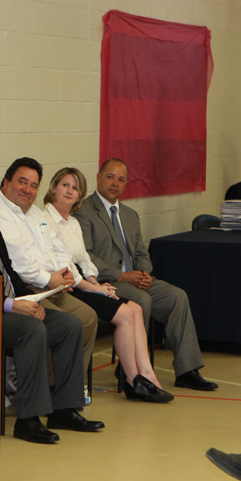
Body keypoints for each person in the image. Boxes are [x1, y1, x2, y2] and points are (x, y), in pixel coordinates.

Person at [0, 158, 102, 443]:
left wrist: (29, 299)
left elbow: (8, 274)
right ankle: (28, 419)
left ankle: (63, 408)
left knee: (69, 325)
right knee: (32, 330)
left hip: (9, 302)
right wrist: (13, 305)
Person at [75, 159, 217, 391]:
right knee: (142, 300)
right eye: (110, 177)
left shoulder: (130, 214)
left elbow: (142, 251)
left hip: (135, 279)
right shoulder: (84, 212)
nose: (115, 183)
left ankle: (187, 370)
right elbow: (86, 256)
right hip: (106, 282)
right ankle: (132, 369)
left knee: (177, 297)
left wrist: (144, 273)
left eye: (121, 180)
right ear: (98, 177)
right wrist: (122, 276)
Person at [42, 167, 171, 403]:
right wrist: (96, 288)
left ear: (80, 195)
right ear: (53, 188)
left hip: (85, 284)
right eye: (65, 185)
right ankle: (134, 381)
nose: (70, 191)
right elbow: (65, 268)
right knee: (124, 313)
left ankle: (147, 375)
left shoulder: (72, 222)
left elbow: (84, 260)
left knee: (136, 309)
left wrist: (95, 280)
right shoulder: (45, 220)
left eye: (75, 188)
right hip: (68, 288)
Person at [0, 158, 98, 378]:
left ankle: (71, 386)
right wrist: (51, 279)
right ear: (6, 183)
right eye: (22, 182)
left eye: (33, 185)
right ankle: (46, 388)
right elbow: (20, 263)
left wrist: (64, 274)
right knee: (63, 325)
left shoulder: (36, 213)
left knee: (88, 318)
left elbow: (59, 248)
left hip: (54, 285)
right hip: (29, 289)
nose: (27, 190)